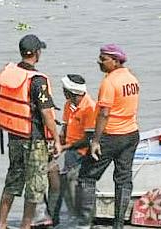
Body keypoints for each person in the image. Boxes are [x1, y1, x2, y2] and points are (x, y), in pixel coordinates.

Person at [0, 34, 61, 229]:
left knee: (12, 180)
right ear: (37, 53)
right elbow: (47, 114)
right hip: (34, 141)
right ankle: (25, 226)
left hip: (14, 136)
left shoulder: (8, 74)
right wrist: (56, 139)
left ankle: (1, 224)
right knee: (35, 187)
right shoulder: (38, 81)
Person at [77, 44, 140, 229]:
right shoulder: (132, 79)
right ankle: (118, 224)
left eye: (103, 59)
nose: (99, 62)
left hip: (111, 135)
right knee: (123, 180)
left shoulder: (109, 82)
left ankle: (87, 223)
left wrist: (95, 141)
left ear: (116, 61)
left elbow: (104, 113)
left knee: (87, 177)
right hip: (131, 134)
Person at [50, 74, 96, 226]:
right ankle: (61, 217)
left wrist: (64, 147)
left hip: (82, 153)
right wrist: (57, 143)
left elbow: (88, 139)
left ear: (70, 92)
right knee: (59, 180)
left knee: (73, 184)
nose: (63, 93)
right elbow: (65, 128)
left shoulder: (90, 107)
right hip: (69, 150)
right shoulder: (69, 105)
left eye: (64, 90)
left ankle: (80, 218)